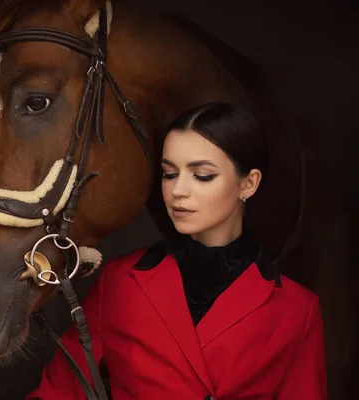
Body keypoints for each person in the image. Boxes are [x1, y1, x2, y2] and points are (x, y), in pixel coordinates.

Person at [26, 102, 327, 399]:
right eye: (170, 174)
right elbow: (59, 393)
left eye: (202, 175)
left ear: (248, 184)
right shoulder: (120, 282)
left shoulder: (297, 309)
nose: (178, 190)